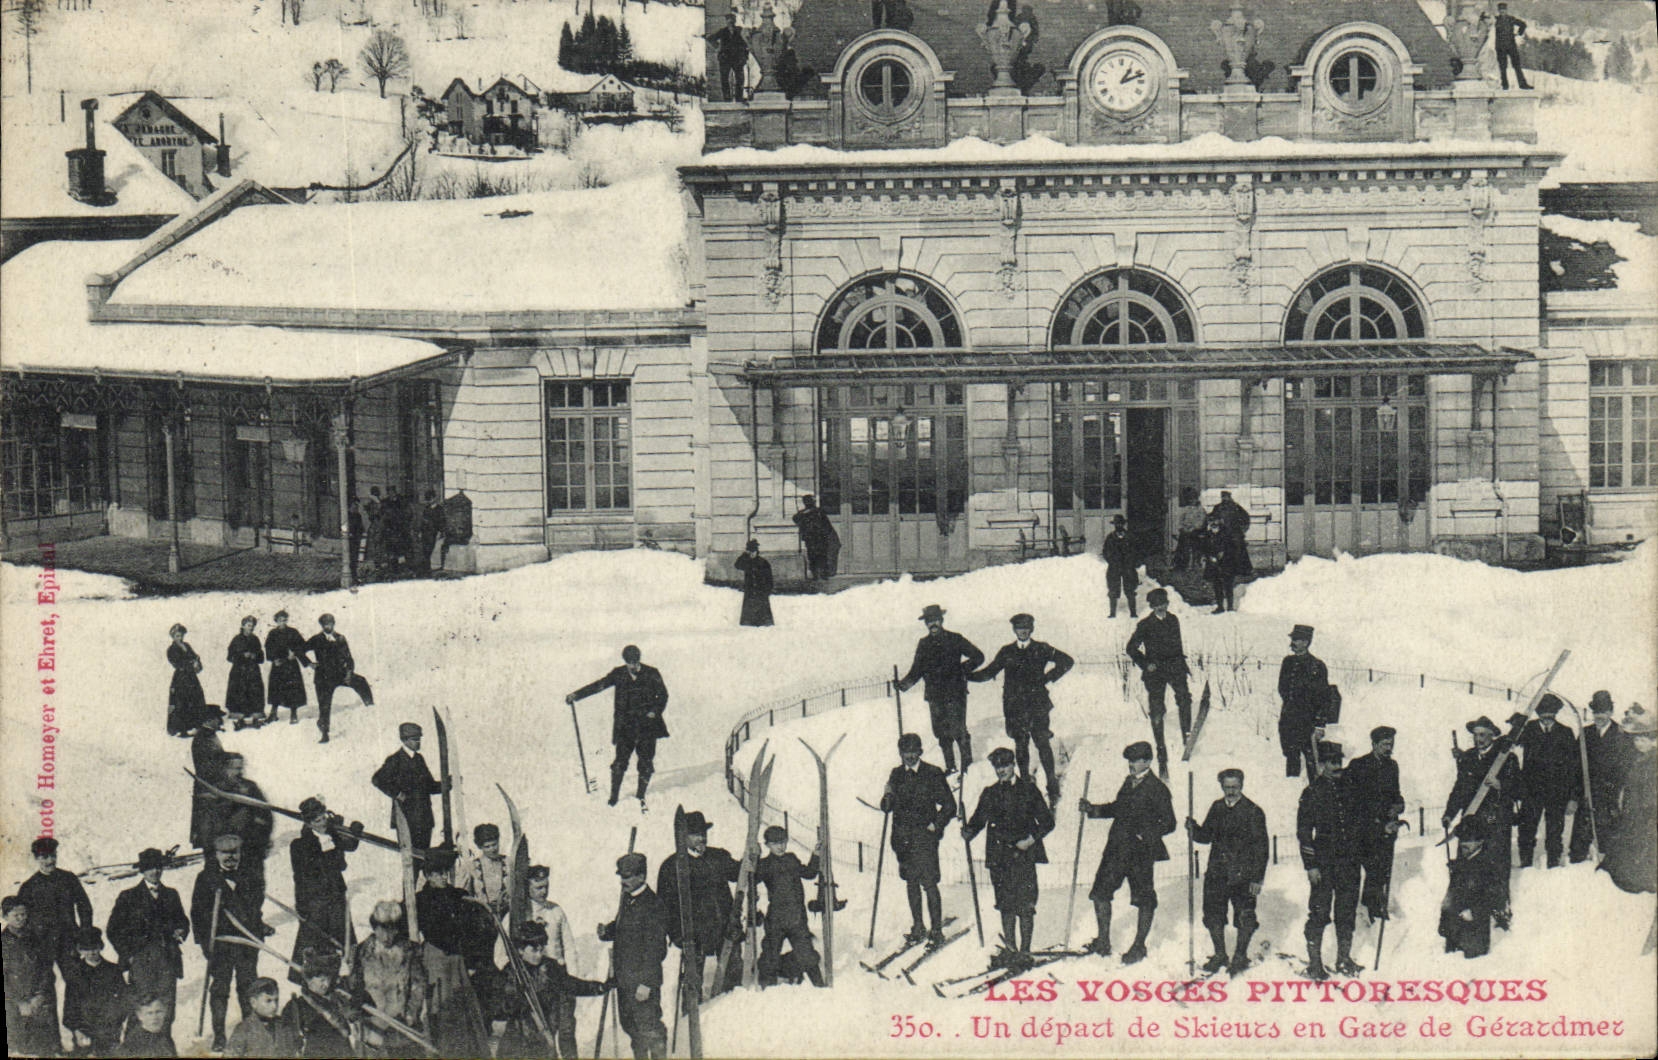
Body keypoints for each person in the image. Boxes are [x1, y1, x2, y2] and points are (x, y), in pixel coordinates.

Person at [1080, 741, 1175, 964]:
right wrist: (1093, 809)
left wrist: (1147, 834)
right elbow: (1118, 808)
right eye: (1130, 761)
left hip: (1140, 853)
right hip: (1116, 848)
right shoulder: (1128, 783)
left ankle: (1139, 945)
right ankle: (1103, 941)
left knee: (1144, 898)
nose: (1131, 765)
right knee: (1100, 892)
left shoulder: (1158, 788)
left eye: (1136, 761)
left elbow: (1169, 823)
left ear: (1148, 761)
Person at [963, 747, 1054, 969]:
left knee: (1025, 905)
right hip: (999, 858)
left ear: (1013, 765)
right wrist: (968, 830)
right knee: (1005, 904)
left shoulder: (1029, 790)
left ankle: (1025, 950)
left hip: (1023, 856)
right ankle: (1011, 949)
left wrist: (1030, 840)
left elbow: (1047, 822)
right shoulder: (989, 792)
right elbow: (977, 821)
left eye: (1005, 765)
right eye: (997, 767)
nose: (1001, 770)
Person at [969, 613, 1075, 804]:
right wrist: (966, 676)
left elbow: (1067, 661)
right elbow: (990, 671)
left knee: (1042, 742)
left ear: (1032, 629)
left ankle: (1051, 783)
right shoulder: (1006, 651)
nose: (1023, 631)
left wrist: (1048, 678)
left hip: (1037, 705)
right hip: (1015, 706)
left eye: (1026, 627)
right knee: (1021, 744)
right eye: (1019, 628)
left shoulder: (1041, 648)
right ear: (1014, 630)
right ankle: (1025, 780)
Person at [1186, 768, 1268, 975]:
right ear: (1221, 786)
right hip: (1217, 873)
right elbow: (1206, 836)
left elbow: (1262, 848)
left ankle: (1240, 955)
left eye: (1235, 787)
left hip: (1243, 875)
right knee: (1213, 915)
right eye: (1227, 787)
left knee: (1245, 916)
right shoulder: (1217, 807)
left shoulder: (1253, 811)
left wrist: (1257, 878)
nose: (1230, 791)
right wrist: (1193, 828)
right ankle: (1220, 954)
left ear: (1241, 786)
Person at [1443, 714, 1521, 928]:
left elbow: (1520, 789)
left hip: (1497, 821)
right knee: (1467, 865)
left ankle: (1500, 909)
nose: (1479, 739)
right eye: (1476, 735)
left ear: (1493, 735)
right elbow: (1459, 789)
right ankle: (1466, 907)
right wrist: (1450, 813)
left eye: (1484, 735)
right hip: (1472, 822)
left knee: (1497, 864)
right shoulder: (1468, 758)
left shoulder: (1506, 758)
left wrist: (1500, 786)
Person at [568, 645, 671, 808]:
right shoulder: (619, 674)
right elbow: (599, 685)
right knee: (619, 763)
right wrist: (577, 695)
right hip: (626, 728)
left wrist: (655, 711)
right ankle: (613, 797)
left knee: (645, 763)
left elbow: (663, 695)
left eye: (636, 662)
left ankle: (640, 796)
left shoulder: (652, 673)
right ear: (625, 662)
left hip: (647, 728)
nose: (634, 666)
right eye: (630, 663)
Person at [880, 733, 957, 946]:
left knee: (929, 884)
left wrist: (937, 824)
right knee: (911, 882)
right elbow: (886, 807)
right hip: (903, 841)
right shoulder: (896, 775)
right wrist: (887, 796)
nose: (910, 756)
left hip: (924, 839)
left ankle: (937, 930)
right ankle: (918, 926)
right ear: (900, 754)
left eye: (914, 752)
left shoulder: (932, 773)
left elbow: (950, 806)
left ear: (920, 752)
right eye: (906, 753)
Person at [656, 811, 741, 1001]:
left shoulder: (718, 857)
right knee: (692, 985)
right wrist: (677, 934)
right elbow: (664, 906)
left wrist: (751, 858)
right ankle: (692, 1018)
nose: (701, 838)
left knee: (733, 977)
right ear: (683, 837)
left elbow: (740, 873)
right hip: (693, 933)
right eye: (695, 834)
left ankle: (731, 1011)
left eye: (703, 833)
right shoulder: (671, 866)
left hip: (724, 928)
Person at [191, 834, 264, 1052]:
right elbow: (197, 913)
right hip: (221, 945)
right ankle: (220, 1035)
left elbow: (255, 908)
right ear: (216, 854)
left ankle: (251, 1031)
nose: (230, 857)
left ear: (241, 853)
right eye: (225, 853)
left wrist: (258, 931)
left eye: (235, 853)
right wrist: (206, 945)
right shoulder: (206, 878)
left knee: (248, 988)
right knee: (220, 990)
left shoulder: (251, 875)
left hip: (245, 943)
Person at [416, 849, 492, 1057]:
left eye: (445, 872)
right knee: (440, 1008)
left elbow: (477, 926)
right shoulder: (420, 900)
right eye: (437, 873)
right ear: (428, 875)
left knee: (462, 1010)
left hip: (457, 960)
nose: (443, 877)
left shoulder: (458, 896)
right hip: (435, 959)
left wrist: (472, 957)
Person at [493, 920, 607, 1058]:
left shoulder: (550, 968)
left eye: (541, 950)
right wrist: (518, 1002)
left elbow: (570, 984)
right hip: (517, 1042)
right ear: (521, 950)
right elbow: (502, 1006)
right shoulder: (512, 973)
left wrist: (599, 987)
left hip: (544, 1039)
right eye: (534, 950)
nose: (539, 955)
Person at [1298, 742, 1364, 980]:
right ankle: (1315, 964)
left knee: (1346, 910)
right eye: (1331, 762)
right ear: (1322, 764)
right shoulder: (1312, 793)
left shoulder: (1350, 789)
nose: (1337, 766)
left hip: (1349, 861)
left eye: (1339, 761)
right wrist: (1311, 865)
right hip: (1324, 862)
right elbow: (1304, 832)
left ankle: (1344, 959)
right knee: (1319, 911)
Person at [17, 834, 94, 1035]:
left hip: (69, 942)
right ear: (36, 859)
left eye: (52, 856)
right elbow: (21, 918)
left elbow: (84, 906)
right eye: (43, 857)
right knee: (44, 989)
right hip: (42, 945)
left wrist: (85, 934)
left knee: (77, 983)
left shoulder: (68, 879)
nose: (49, 861)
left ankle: (77, 1029)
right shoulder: (28, 887)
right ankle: (51, 1039)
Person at [106, 848, 190, 1030]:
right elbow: (113, 930)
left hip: (168, 959)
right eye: (150, 868)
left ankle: (163, 1047)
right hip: (141, 962)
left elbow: (182, 920)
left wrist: (181, 931)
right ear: (142, 871)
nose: (155, 872)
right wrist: (128, 955)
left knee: (166, 1009)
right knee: (142, 1008)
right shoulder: (128, 897)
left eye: (158, 867)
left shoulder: (171, 895)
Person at [897, 603, 985, 776]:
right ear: (926, 624)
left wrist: (962, 670)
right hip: (935, 696)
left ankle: (968, 768)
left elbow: (978, 656)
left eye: (935, 620)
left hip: (955, 694)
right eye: (929, 621)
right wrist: (904, 684)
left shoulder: (955, 639)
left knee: (958, 731)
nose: (933, 624)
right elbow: (917, 669)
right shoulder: (924, 644)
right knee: (941, 733)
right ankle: (951, 767)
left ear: (941, 620)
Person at [601, 852, 668, 1060]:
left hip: (642, 983)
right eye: (621, 876)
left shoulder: (653, 904)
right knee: (632, 1028)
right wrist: (608, 931)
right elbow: (624, 928)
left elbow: (656, 948)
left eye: (628, 876)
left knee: (650, 1029)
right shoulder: (628, 900)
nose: (623, 881)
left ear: (642, 876)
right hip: (625, 981)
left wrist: (647, 983)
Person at [289, 797, 361, 984]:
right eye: (317, 821)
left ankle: (346, 983)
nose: (322, 824)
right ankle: (314, 985)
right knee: (317, 949)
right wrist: (302, 908)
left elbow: (350, 846)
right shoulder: (300, 845)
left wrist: (355, 831)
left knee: (346, 946)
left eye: (324, 818)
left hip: (336, 898)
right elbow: (301, 878)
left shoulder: (333, 834)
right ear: (309, 823)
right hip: (317, 904)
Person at [1125, 587, 1191, 779]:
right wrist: (1146, 664)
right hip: (1156, 671)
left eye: (1165, 603)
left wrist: (1181, 664)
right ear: (1152, 606)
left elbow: (1178, 645)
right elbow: (1131, 648)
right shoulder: (1145, 624)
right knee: (1156, 707)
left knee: (1184, 698)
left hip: (1175, 667)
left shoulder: (1173, 620)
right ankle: (1160, 744)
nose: (1163, 607)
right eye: (1158, 604)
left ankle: (1187, 734)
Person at [350, 900, 428, 1058]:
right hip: (374, 1027)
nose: (386, 936)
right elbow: (355, 987)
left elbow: (418, 986)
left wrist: (411, 1013)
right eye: (381, 930)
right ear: (374, 928)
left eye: (391, 930)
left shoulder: (409, 951)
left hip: (402, 1026)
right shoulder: (362, 952)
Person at [1344, 726, 1405, 921]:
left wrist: (1399, 805)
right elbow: (1353, 801)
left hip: (1387, 830)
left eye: (1391, 744)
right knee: (1369, 869)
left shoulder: (1392, 766)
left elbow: (1396, 794)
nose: (1389, 748)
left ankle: (1377, 908)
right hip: (1364, 830)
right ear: (1374, 744)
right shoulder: (1359, 765)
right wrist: (1375, 819)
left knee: (1382, 870)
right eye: (1385, 744)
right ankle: (1366, 911)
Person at [1515, 694, 1580, 869]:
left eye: (1550, 714)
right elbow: (1510, 742)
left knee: (1554, 833)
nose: (1546, 717)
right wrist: (1517, 724)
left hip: (1557, 792)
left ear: (1556, 714)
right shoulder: (1528, 729)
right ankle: (1526, 864)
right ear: (1537, 713)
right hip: (1531, 791)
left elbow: (1574, 766)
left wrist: (1573, 796)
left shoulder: (1566, 732)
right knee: (1526, 830)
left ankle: (1553, 866)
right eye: (1542, 713)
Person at [754, 825, 824, 987]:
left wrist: (816, 855)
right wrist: (755, 858)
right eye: (775, 843)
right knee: (769, 956)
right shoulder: (765, 864)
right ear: (768, 845)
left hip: (796, 918)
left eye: (783, 842)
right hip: (776, 919)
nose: (780, 846)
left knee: (807, 954)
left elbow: (809, 873)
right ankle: (766, 989)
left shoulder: (791, 859)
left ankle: (820, 987)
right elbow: (754, 879)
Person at [527, 865, 583, 1055]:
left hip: (561, 979)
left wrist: (572, 979)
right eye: (538, 888)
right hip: (538, 985)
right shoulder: (520, 914)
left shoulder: (556, 911)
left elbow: (569, 947)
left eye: (546, 887)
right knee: (546, 1032)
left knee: (567, 1030)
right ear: (527, 887)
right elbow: (500, 953)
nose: (543, 892)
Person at [1572, 690, 1631, 864]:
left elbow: (1624, 771)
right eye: (1596, 712)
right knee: (1579, 844)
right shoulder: (1585, 734)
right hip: (1586, 797)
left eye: (1603, 712)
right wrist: (1575, 796)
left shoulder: (1621, 735)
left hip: (1609, 799)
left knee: (1607, 842)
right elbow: (1575, 768)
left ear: (1611, 712)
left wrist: (1614, 794)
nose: (1599, 716)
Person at [200, 754, 274, 892]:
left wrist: (261, 839)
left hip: (250, 851)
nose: (240, 772)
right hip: (226, 855)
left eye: (241, 768)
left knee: (254, 892)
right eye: (235, 768)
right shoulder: (214, 792)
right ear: (225, 769)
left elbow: (266, 816)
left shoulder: (251, 788)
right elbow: (207, 827)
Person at [1603, 705, 1655, 895]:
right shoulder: (1638, 759)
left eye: (1643, 740)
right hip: (1633, 811)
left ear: (1653, 741)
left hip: (1646, 814)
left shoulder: (1652, 762)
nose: (1639, 744)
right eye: (1637, 740)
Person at [1438, 817, 1506, 959]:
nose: (1464, 846)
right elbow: (1450, 897)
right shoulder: (1461, 864)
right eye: (1462, 843)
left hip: (1475, 931)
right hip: (1455, 931)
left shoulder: (1489, 866)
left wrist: (1473, 911)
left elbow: (1495, 897)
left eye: (1469, 843)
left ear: (1480, 842)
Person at [372, 722, 444, 854]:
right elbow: (377, 779)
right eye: (415, 739)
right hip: (406, 817)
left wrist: (446, 784)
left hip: (424, 817)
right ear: (404, 740)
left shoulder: (419, 759)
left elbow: (429, 786)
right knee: (411, 859)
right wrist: (397, 794)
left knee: (424, 855)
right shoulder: (395, 760)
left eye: (419, 739)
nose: (418, 742)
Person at [303, 613, 374, 744]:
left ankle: (370, 707)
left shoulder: (340, 638)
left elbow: (349, 658)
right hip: (323, 677)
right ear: (321, 625)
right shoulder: (316, 639)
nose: (328, 626)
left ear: (334, 624)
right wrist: (309, 663)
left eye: (330, 623)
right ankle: (325, 732)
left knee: (361, 681)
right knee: (324, 705)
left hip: (340, 674)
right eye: (325, 624)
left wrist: (349, 673)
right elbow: (300, 650)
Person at [1278, 624, 1334, 780]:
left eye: (1297, 640)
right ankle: (1291, 792)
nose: (1293, 643)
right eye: (1293, 639)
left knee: (1312, 764)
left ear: (1306, 642)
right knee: (1291, 760)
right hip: (1289, 721)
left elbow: (1324, 698)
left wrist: (1319, 725)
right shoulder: (1287, 663)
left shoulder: (1317, 666)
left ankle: (1314, 796)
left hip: (1308, 723)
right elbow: (1282, 689)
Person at [4, 894, 58, 1057]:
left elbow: (47, 969)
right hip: (14, 1005)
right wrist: (19, 1002)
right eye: (16, 915)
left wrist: (40, 995)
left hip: (40, 1001)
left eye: (23, 914)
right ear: (5, 917)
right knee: (20, 1049)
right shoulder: (3, 942)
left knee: (44, 1047)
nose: (21, 919)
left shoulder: (37, 938)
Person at [63, 925, 128, 1057]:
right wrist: (76, 1030)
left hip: (109, 1030)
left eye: (94, 948)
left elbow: (123, 1001)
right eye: (86, 949)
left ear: (100, 947)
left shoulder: (113, 970)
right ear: (80, 950)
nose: (91, 952)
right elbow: (70, 1006)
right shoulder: (75, 974)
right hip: (83, 1031)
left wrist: (116, 1023)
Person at [281, 954, 355, 1058]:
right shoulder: (297, 1006)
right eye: (322, 980)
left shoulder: (337, 1001)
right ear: (309, 980)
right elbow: (287, 1040)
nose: (327, 984)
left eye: (328, 980)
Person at [189, 705, 228, 850]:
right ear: (210, 719)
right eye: (218, 718)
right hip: (209, 784)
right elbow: (209, 763)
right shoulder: (205, 737)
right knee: (208, 816)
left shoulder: (206, 735)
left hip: (209, 783)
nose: (220, 722)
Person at [226, 977, 296, 1058]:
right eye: (268, 1001)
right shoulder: (244, 1029)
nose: (274, 1006)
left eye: (276, 1000)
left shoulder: (284, 1026)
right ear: (253, 1003)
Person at [264, 609, 308, 725]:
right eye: (280, 620)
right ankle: (273, 713)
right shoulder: (272, 633)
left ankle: (293, 713)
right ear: (276, 621)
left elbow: (302, 645)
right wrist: (274, 659)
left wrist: (294, 653)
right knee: (275, 688)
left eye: (284, 620)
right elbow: (268, 648)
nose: (282, 623)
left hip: (291, 666)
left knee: (292, 689)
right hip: (278, 665)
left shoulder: (293, 632)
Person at [458, 824, 510, 919]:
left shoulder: (509, 863)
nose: (492, 849)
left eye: (494, 844)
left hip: (508, 917)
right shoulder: (471, 867)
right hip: (482, 919)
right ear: (480, 847)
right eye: (487, 846)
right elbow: (463, 897)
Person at [224, 616, 266, 730]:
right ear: (243, 626)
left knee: (255, 690)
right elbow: (229, 656)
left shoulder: (255, 639)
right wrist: (242, 655)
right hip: (239, 671)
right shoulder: (236, 640)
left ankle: (255, 715)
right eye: (248, 625)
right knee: (239, 690)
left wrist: (255, 655)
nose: (250, 628)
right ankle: (238, 715)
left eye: (252, 626)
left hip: (253, 671)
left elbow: (262, 657)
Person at [165, 622, 207, 738]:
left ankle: (194, 725)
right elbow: (177, 663)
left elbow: (195, 656)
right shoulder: (171, 649)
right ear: (173, 636)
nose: (180, 638)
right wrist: (190, 663)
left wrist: (197, 662)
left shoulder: (187, 646)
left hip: (191, 677)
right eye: (177, 636)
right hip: (181, 678)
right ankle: (181, 727)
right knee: (181, 701)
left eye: (182, 635)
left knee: (195, 698)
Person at [792, 494, 840, 582]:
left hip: (819, 538)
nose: (810, 503)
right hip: (811, 539)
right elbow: (795, 518)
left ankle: (822, 574)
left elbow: (826, 525)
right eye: (809, 501)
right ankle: (817, 575)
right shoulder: (804, 513)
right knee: (814, 557)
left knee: (820, 557)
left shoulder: (818, 512)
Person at [1100, 514, 1138, 619]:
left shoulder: (1130, 537)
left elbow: (1136, 551)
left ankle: (1133, 613)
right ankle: (1112, 613)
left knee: (1130, 590)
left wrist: (1131, 562)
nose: (1119, 526)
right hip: (1114, 567)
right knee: (1113, 590)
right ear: (1114, 525)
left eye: (1121, 523)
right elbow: (1105, 551)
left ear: (1124, 524)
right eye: (1117, 524)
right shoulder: (1110, 538)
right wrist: (1112, 561)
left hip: (1128, 568)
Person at [118, 993, 178, 1057]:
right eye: (149, 1013)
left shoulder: (167, 1040)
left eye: (158, 1012)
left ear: (165, 1012)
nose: (155, 1017)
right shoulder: (133, 1044)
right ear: (140, 1015)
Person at [710, 11, 749, 102]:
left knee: (740, 78)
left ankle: (739, 97)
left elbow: (746, 44)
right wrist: (718, 48)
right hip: (725, 58)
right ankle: (727, 98)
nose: (730, 22)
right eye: (728, 20)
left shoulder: (739, 31)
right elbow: (711, 39)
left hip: (737, 59)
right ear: (726, 21)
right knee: (724, 78)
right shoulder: (722, 31)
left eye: (732, 20)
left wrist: (745, 56)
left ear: (735, 21)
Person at [734, 539, 775, 627]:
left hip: (761, 591)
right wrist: (744, 554)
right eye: (750, 552)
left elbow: (769, 578)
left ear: (757, 551)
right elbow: (737, 565)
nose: (752, 554)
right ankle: (748, 623)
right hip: (750, 591)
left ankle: (764, 623)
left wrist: (768, 589)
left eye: (754, 551)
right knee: (748, 616)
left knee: (763, 615)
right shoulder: (746, 562)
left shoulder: (763, 562)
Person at [1494, 2, 1531, 90]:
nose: (1502, 12)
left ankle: (1522, 84)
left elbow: (1523, 24)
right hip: (1500, 47)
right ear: (1499, 11)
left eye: (1504, 10)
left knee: (1517, 65)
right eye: (1501, 10)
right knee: (1502, 67)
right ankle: (1505, 85)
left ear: (1506, 10)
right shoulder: (1495, 20)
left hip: (1511, 46)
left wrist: (1518, 33)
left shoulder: (1511, 19)